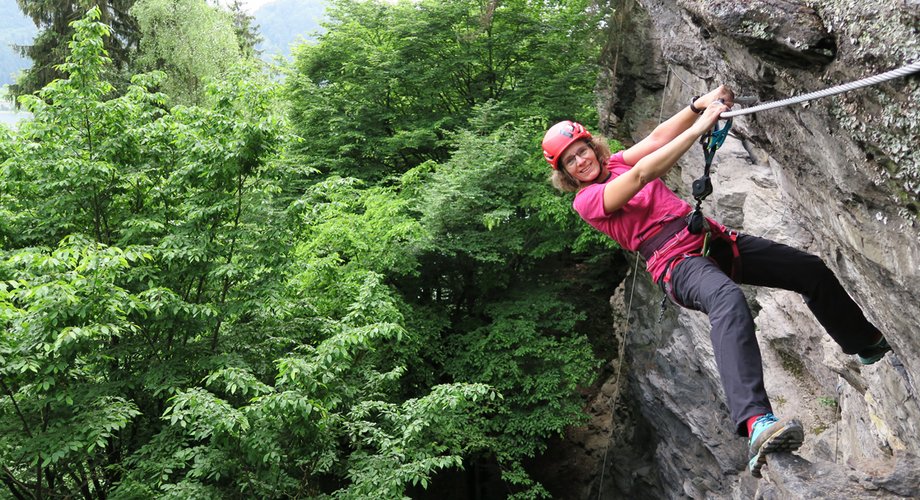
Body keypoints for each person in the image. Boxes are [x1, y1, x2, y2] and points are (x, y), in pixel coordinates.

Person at [541, 85, 893, 478]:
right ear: (566, 174)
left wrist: (697, 104)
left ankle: (865, 343)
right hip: (678, 264)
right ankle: (756, 422)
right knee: (727, 299)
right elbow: (645, 173)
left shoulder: (618, 161)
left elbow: (657, 138)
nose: (580, 161)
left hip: (713, 240)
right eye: (570, 161)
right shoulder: (587, 200)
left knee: (807, 269)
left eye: (581, 150)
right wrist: (702, 125)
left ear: (593, 147)